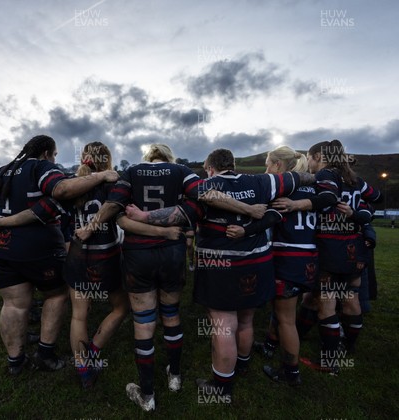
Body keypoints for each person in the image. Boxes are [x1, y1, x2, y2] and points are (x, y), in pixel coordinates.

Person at [78, 144, 267, 411]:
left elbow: (114, 206)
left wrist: (89, 227)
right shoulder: (180, 171)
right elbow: (207, 194)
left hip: (138, 255)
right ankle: (175, 377)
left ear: (148, 158)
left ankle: (147, 395)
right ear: (168, 157)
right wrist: (248, 210)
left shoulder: (132, 171)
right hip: (173, 253)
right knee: (171, 314)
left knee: (143, 323)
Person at [125, 148, 314, 401]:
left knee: (224, 326)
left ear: (210, 168)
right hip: (257, 262)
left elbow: (179, 215)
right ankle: (243, 365)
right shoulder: (260, 180)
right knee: (246, 320)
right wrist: (323, 180)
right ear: (233, 164)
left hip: (221, 265)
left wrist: (145, 215)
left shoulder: (206, 187)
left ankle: (222, 386)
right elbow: (299, 178)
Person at [0, 142, 137, 388]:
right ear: (107, 159)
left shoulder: (69, 186)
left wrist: (4, 221)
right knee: (120, 308)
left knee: (79, 315)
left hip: (77, 257)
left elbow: (38, 212)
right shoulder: (115, 184)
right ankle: (93, 351)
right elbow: (121, 211)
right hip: (106, 257)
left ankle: (82, 367)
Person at [272, 139, 380, 371]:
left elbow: (328, 198)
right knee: (349, 297)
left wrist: (297, 205)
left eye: (309, 157)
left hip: (332, 247)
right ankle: (345, 347)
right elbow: (377, 197)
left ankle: (330, 362)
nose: (308, 163)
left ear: (319, 156)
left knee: (327, 304)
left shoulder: (325, 176)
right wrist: (360, 213)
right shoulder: (355, 180)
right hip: (355, 247)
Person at [233, 146, 316, 386]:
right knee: (281, 312)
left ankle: (291, 373)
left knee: (286, 319)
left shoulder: (281, 191)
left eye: (269, 164)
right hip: (309, 257)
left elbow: (269, 218)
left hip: (288, 258)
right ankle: (270, 345)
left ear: (279, 166)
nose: (266, 169)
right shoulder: (311, 188)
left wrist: (244, 229)